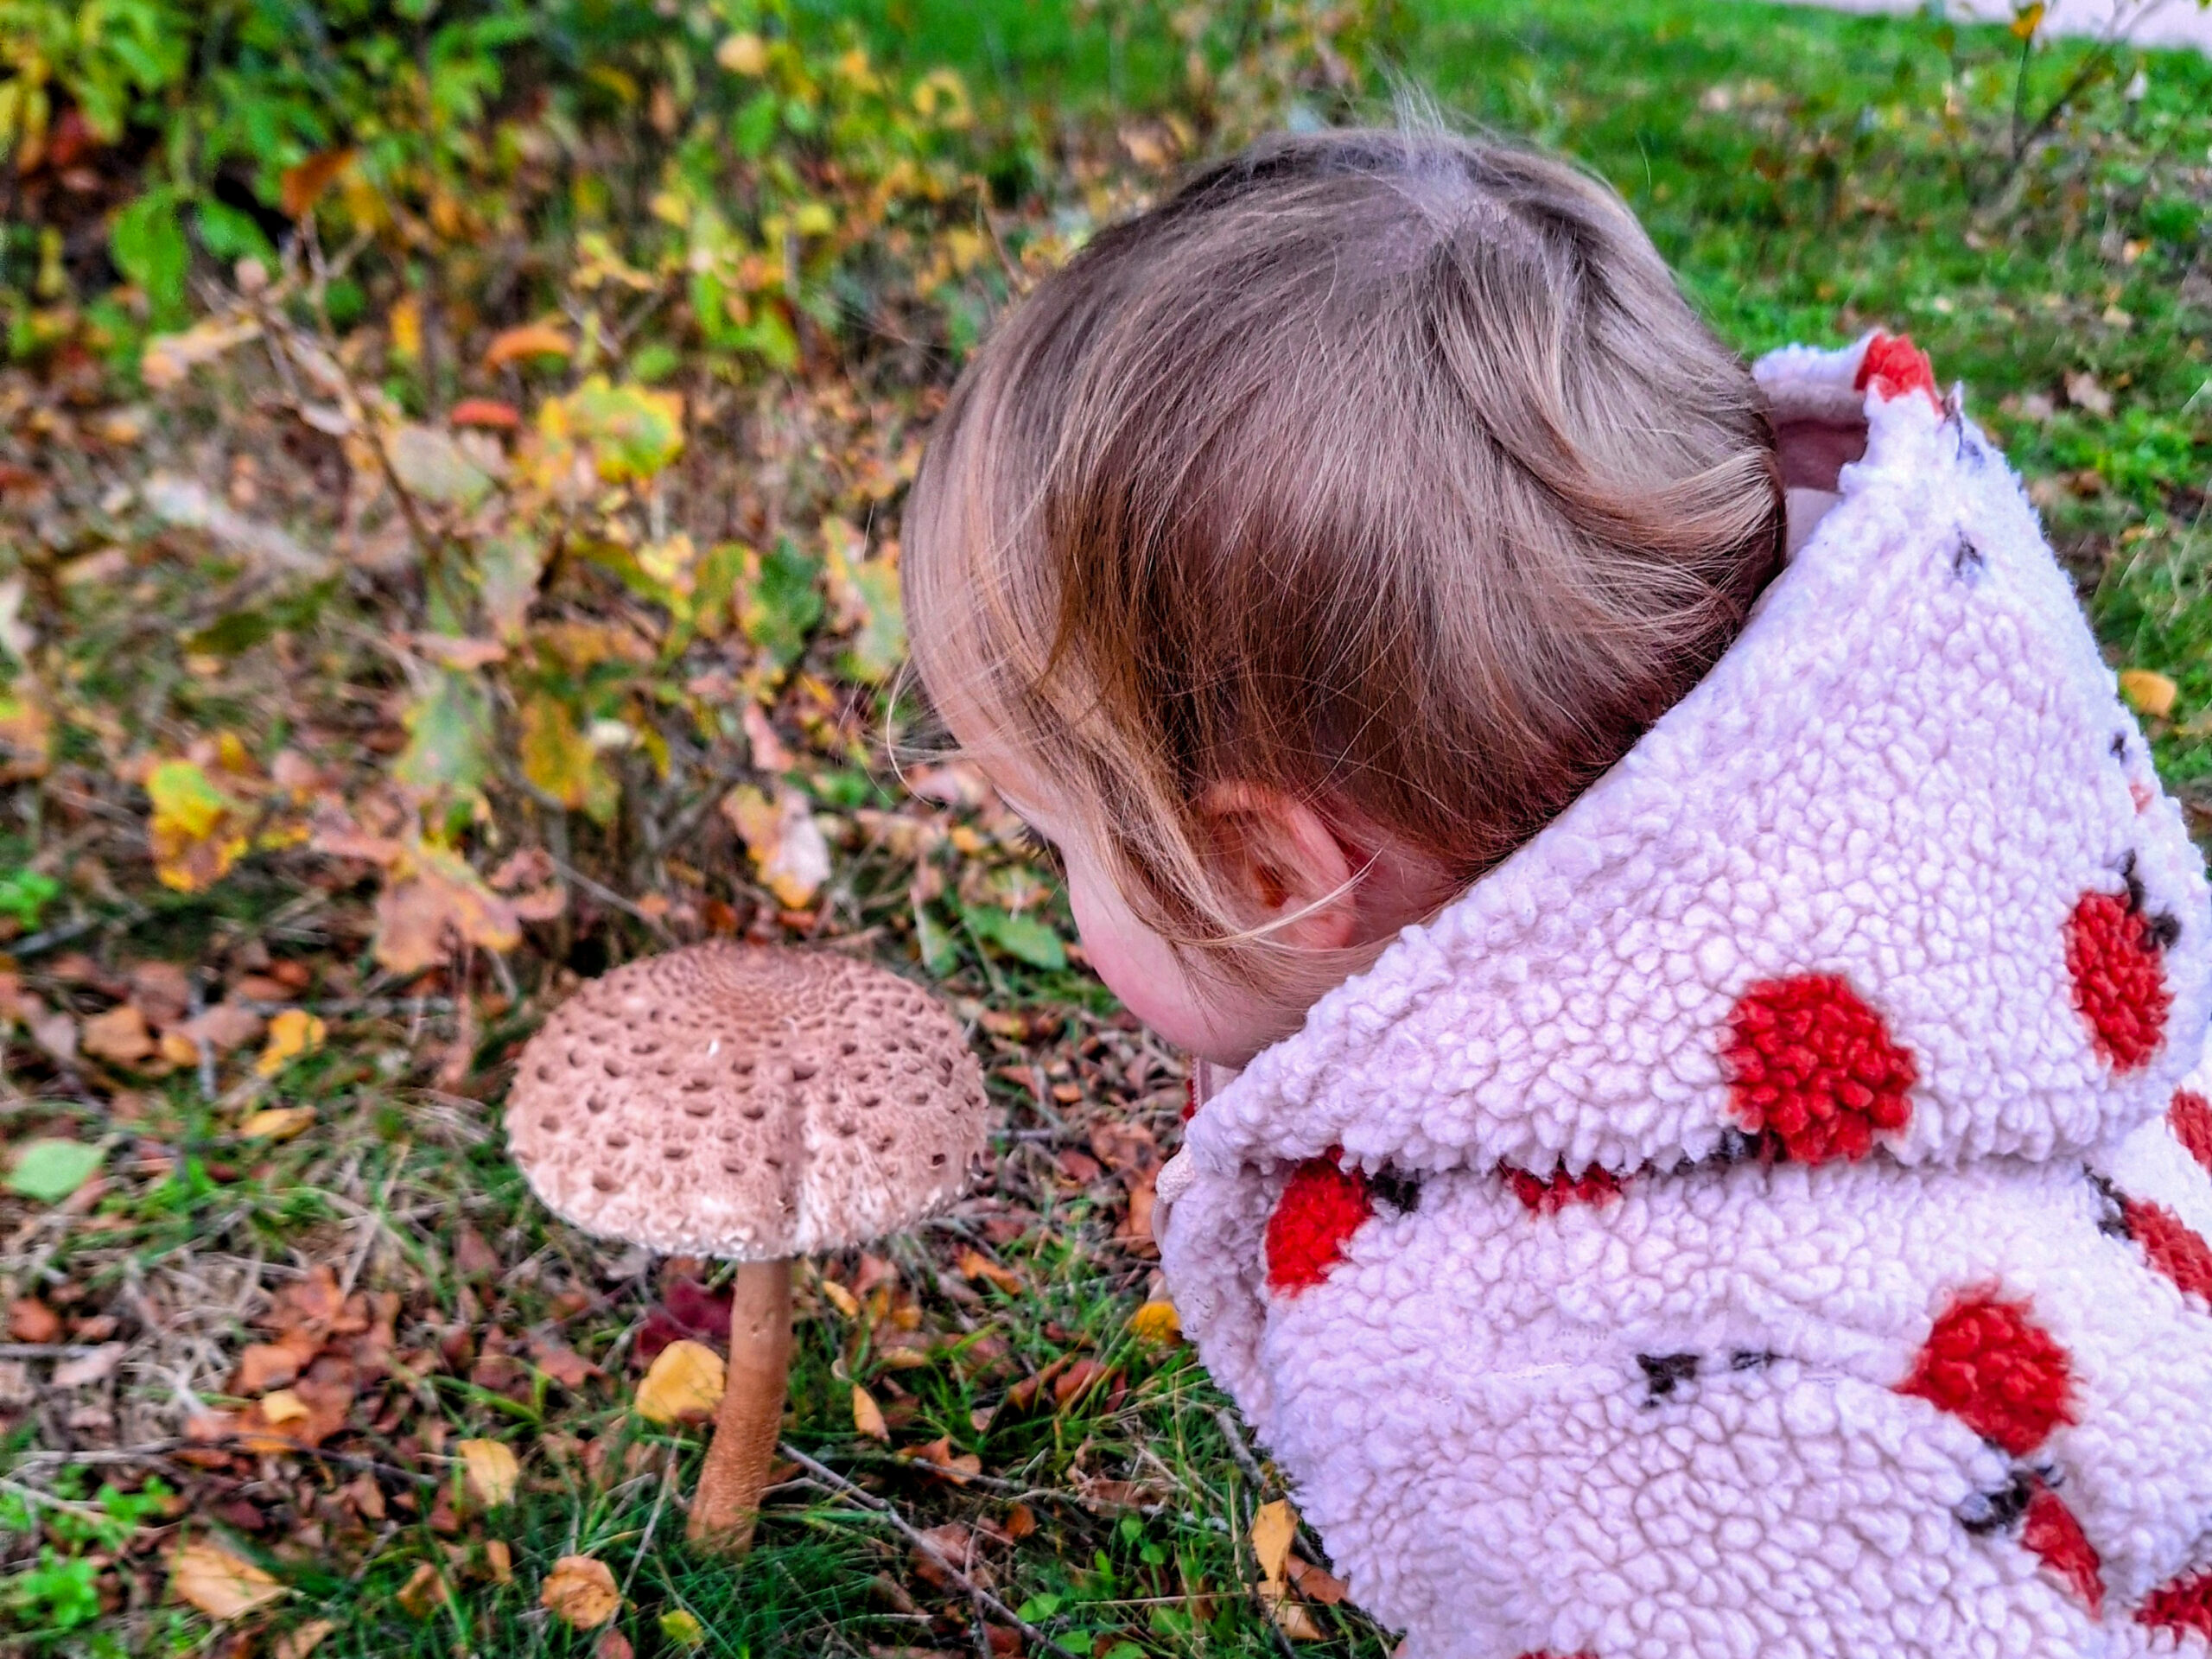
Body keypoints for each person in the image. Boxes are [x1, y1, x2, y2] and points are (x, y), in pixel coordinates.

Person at [899, 126, 2212, 1658]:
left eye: (1055, 838)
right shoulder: (1966, 868)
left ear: (1267, 876)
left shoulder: (1589, 1415)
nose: (1058, 887)